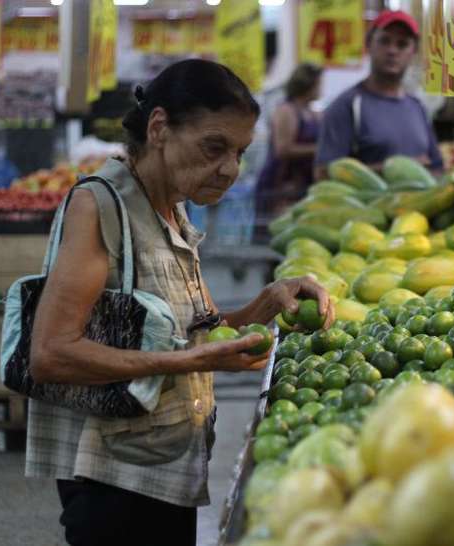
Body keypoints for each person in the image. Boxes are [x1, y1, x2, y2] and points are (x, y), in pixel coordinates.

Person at [26, 59, 334, 546]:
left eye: (240, 152)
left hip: (170, 471)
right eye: (215, 147)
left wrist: (268, 303)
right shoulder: (100, 205)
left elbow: (193, 332)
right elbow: (50, 353)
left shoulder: (170, 206)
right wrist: (191, 360)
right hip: (113, 484)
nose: (230, 168)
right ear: (159, 127)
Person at [314, 10, 443, 179]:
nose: (392, 50)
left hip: (418, 206)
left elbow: (437, 168)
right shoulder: (347, 106)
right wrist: (400, 168)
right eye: (384, 41)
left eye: (402, 44)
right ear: (368, 45)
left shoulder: (417, 107)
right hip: (367, 205)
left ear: (413, 51)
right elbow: (323, 174)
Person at [255, 63, 323, 219]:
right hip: (282, 185)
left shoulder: (314, 113)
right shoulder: (286, 110)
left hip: (304, 184)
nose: (321, 88)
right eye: (319, 84)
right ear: (308, 85)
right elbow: (282, 149)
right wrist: (317, 149)